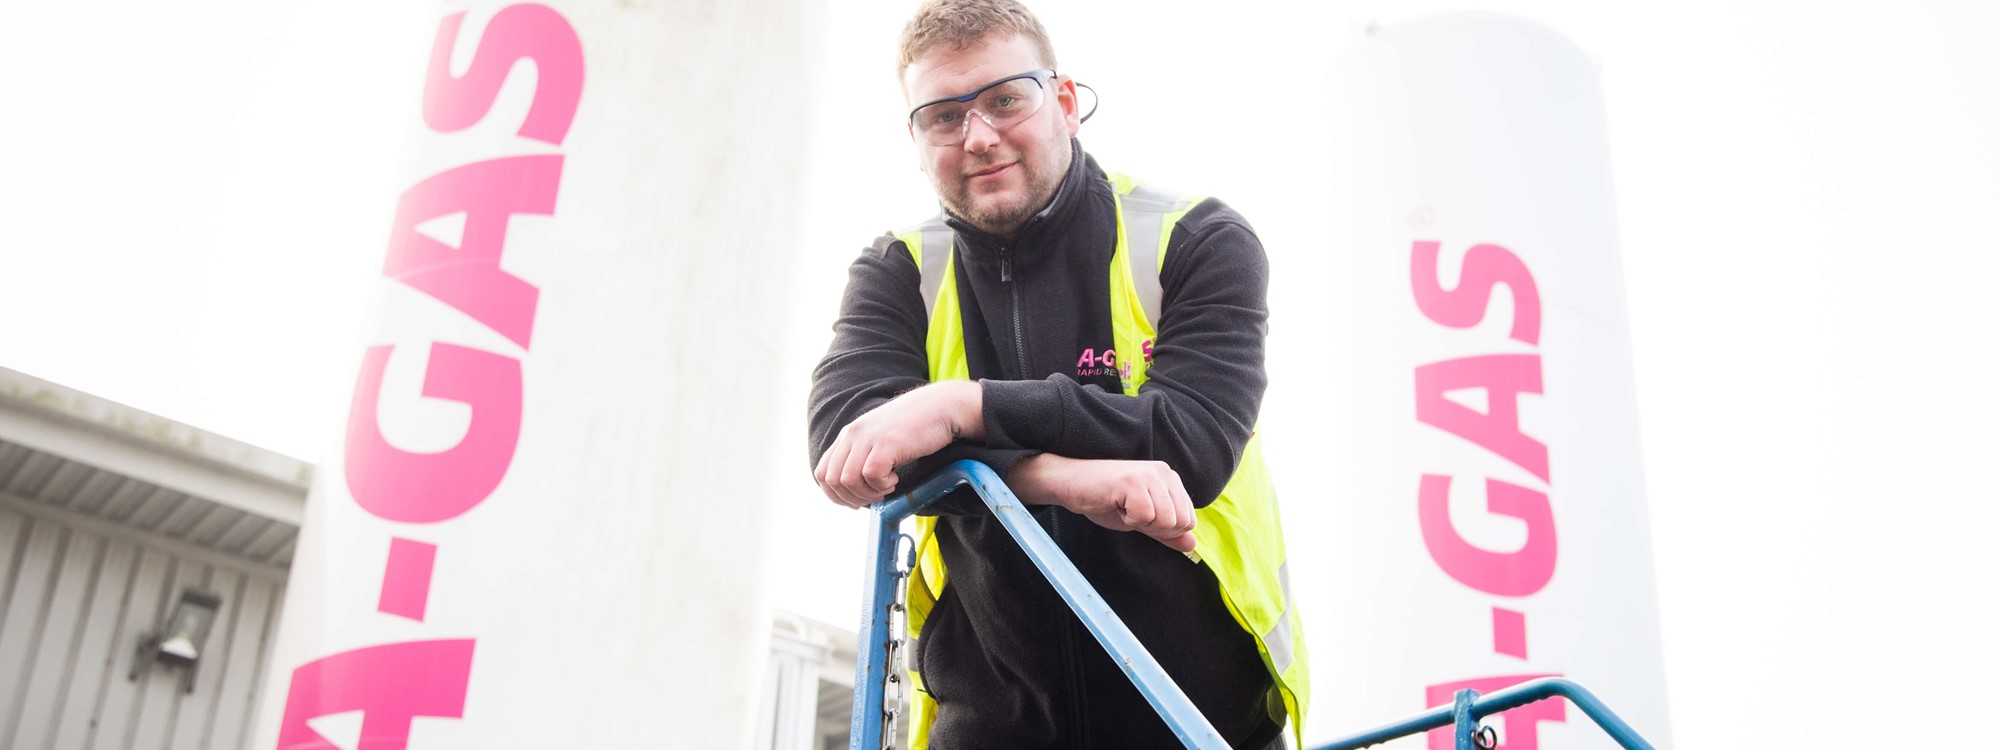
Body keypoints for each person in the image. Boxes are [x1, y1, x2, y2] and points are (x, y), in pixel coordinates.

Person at [807, 1, 1307, 747]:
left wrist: (959, 407)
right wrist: (1066, 479)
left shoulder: (1195, 239)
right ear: (915, 140)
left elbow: (1191, 442)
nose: (977, 136)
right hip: (985, 728)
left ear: (1065, 103)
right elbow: (848, 447)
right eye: (942, 116)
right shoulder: (899, 271)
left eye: (1005, 99)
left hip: (1199, 724)